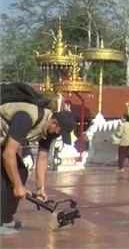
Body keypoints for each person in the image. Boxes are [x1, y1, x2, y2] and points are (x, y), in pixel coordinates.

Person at [1, 82, 76, 236]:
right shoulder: (27, 117)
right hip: (4, 144)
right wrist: (17, 187)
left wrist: (40, 188)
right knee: (3, 180)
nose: (58, 135)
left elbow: (42, 158)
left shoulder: (49, 129)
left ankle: (6, 218)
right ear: (54, 123)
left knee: (20, 172)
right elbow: (8, 154)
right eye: (60, 132)